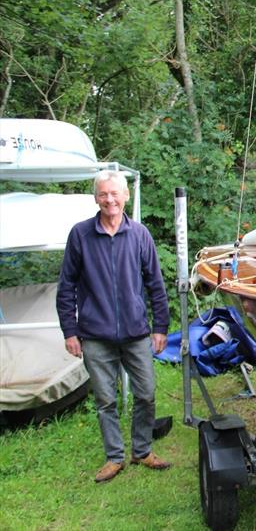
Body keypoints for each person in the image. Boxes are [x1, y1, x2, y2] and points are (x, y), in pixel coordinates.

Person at [57, 170, 171, 483]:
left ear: (125, 197)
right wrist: (70, 331)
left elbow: (155, 284)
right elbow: (66, 286)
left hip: (136, 333)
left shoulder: (140, 235)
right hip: (95, 335)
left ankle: (142, 450)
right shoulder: (80, 235)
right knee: (105, 400)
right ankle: (114, 457)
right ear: (96, 198)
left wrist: (160, 326)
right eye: (104, 194)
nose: (110, 200)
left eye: (115, 194)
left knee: (146, 394)